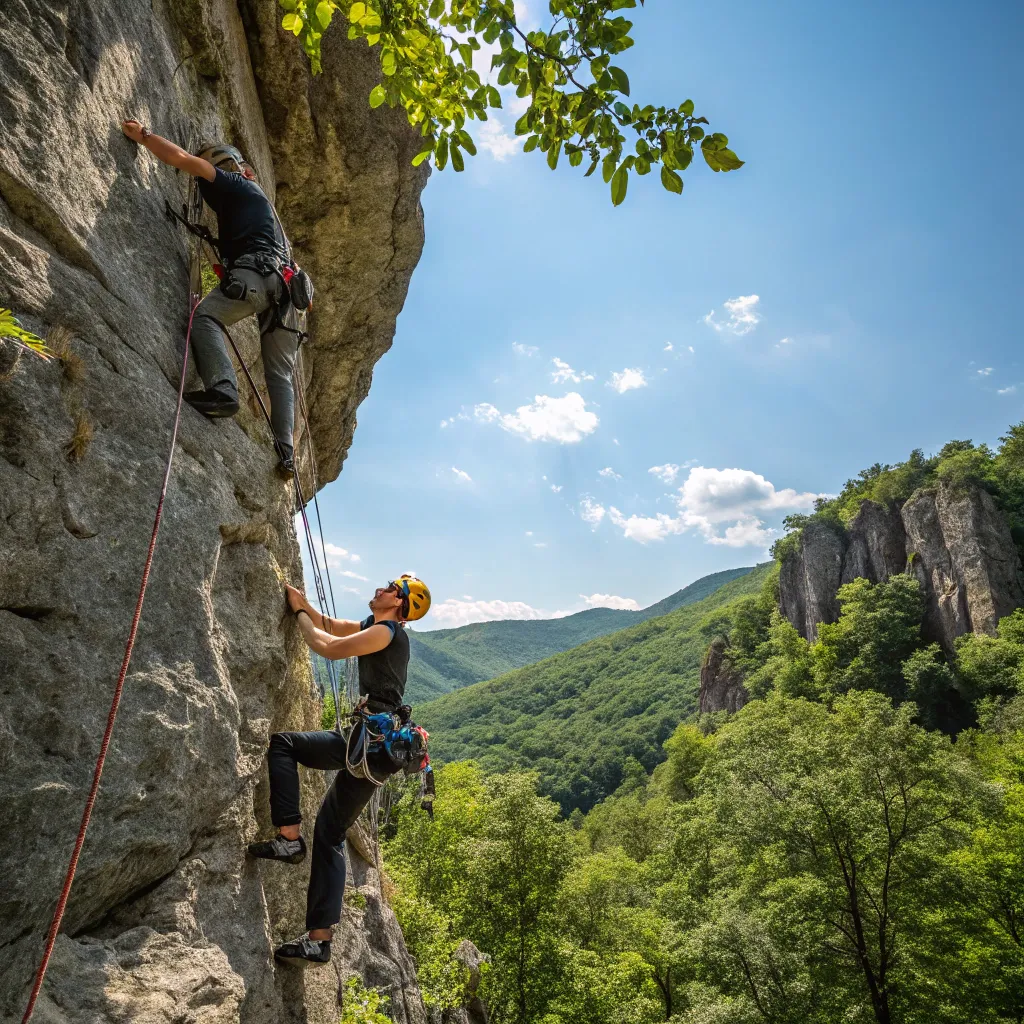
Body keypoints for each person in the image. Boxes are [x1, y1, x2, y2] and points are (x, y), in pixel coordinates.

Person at [249, 574, 431, 967]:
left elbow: (326, 646)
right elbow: (331, 626)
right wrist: (302, 603)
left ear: (398, 603)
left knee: (284, 745)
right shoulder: (376, 627)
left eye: (388, 588)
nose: (380, 589)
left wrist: (298, 613)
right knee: (330, 832)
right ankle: (318, 941)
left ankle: (289, 839)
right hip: (370, 746)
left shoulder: (387, 633)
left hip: (369, 744)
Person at [120, 119, 305, 477]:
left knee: (205, 318)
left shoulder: (236, 184)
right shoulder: (261, 207)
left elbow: (182, 159)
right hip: (286, 294)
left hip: (257, 275)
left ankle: (223, 389)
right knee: (280, 374)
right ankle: (286, 454)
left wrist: (143, 136)